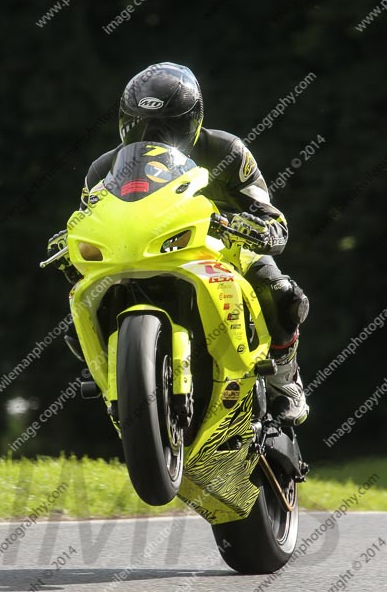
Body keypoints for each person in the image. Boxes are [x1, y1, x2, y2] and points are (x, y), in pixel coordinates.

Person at [48, 62, 309, 425]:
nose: (153, 134)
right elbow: (87, 219)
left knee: (280, 292)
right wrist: (70, 246)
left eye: (168, 126)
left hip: (222, 245)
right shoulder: (104, 169)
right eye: (141, 125)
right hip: (137, 251)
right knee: (79, 314)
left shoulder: (227, 150)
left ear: (193, 120)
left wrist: (262, 228)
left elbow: (268, 212)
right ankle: (119, 382)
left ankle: (286, 380)